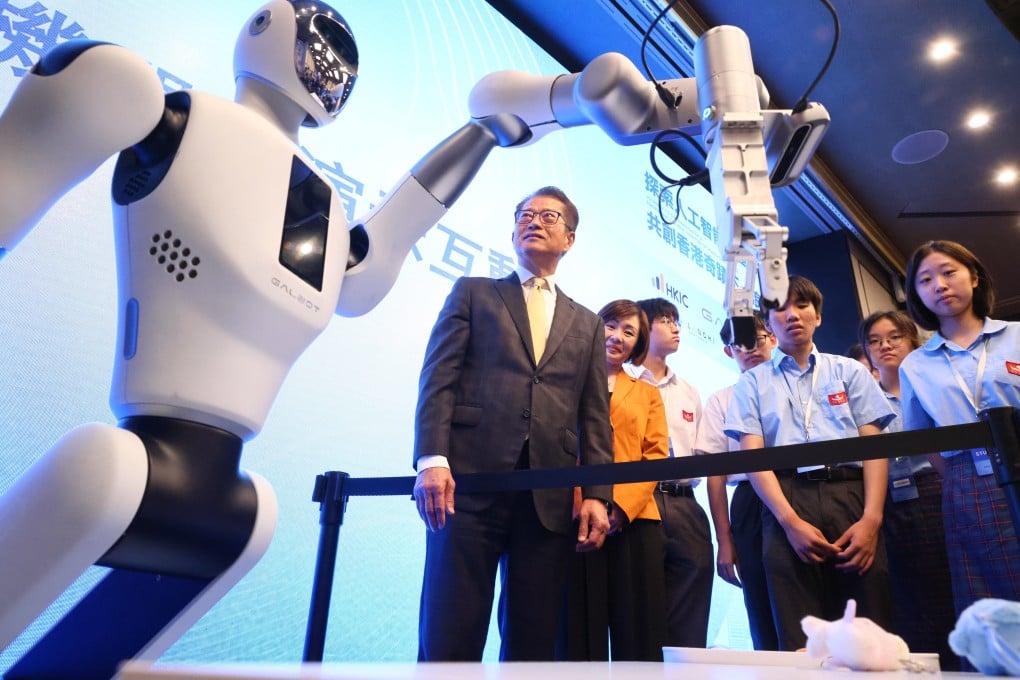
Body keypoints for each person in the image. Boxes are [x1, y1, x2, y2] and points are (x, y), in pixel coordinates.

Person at [412, 186, 614, 661]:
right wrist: (431, 459)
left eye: (548, 216)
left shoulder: (586, 323)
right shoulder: (474, 292)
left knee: (532, 638)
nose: (534, 221)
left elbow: (594, 417)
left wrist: (599, 496)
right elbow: (438, 379)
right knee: (449, 628)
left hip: (548, 497)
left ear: (569, 239)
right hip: (466, 485)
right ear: (512, 230)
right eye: (525, 214)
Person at [724, 275, 895, 651]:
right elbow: (753, 458)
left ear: (818, 315)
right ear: (767, 323)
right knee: (797, 629)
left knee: (867, 624)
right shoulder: (752, 383)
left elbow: (874, 448)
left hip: (851, 494)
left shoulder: (848, 371)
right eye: (780, 308)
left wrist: (871, 520)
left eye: (802, 305)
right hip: (785, 499)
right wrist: (789, 521)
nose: (792, 315)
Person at [898, 240, 1020, 626]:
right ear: (916, 294)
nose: (940, 285)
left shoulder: (1016, 336)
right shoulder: (915, 364)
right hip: (968, 482)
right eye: (926, 280)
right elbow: (925, 439)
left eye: (949, 272)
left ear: (974, 276)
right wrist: (961, 474)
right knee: (987, 595)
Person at [558, 299, 669, 661]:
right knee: (576, 633)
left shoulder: (648, 394)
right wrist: (582, 502)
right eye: (610, 324)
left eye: (629, 332)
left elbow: (655, 457)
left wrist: (618, 508)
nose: (616, 336)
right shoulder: (561, 387)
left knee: (638, 632)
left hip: (634, 524)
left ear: (637, 346)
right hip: (575, 519)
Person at [859, 310, 957, 669]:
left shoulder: (931, 384)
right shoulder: (864, 400)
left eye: (894, 336)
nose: (884, 345)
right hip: (884, 502)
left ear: (912, 339)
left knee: (947, 587)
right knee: (902, 595)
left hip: (934, 490)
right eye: (874, 340)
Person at [626, 297, 713, 648]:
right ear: (645, 326)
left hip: (684, 502)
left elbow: (704, 453)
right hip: (636, 502)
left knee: (692, 597)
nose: (676, 327)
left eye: (677, 320)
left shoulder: (689, 391)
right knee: (638, 603)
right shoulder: (621, 380)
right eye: (666, 319)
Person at [695, 313, 780, 651]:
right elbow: (715, 474)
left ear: (771, 337)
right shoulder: (721, 399)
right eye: (739, 344)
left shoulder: (793, 386)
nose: (750, 349)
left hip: (797, 486)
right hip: (748, 501)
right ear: (728, 352)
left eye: (757, 339)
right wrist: (724, 540)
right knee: (760, 602)